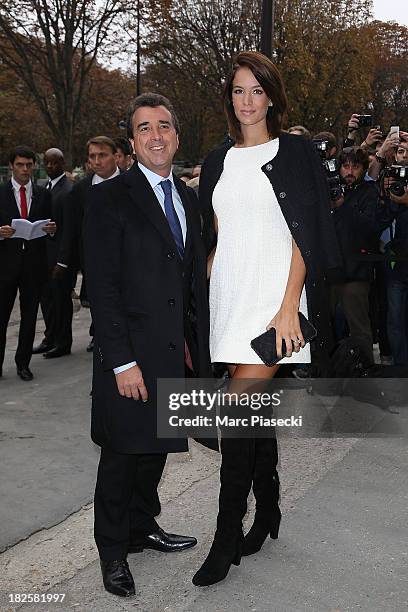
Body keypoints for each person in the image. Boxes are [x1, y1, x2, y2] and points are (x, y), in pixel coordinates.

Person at [195, 51, 341, 587]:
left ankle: (226, 536)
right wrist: (210, 261)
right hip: (231, 300)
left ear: (273, 97)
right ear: (229, 99)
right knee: (249, 414)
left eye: (258, 90)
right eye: (239, 91)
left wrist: (288, 308)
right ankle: (269, 510)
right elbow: (218, 228)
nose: (248, 101)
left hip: (278, 304)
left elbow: (308, 234)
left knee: (232, 413)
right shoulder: (217, 161)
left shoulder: (296, 152)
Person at [83, 93, 217, 598]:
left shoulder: (187, 198)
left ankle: (143, 527)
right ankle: (113, 550)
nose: (156, 135)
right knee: (121, 457)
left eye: (164, 125)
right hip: (130, 357)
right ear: (132, 142)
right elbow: (103, 288)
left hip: (174, 354)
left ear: (177, 135)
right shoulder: (108, 198)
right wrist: (122, 361)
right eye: (145, 128)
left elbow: (188, 279)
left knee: (156, 450)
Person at [58, 136, 119, 352]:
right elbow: (71, 230)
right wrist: (64, 263)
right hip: (93, 263)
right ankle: (101, 337)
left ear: (115, 156)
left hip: (129, 261)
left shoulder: (133, 185)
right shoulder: (80, 191)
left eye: (102, 155)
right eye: (92, 156)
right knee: (100, 305)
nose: (97, 161)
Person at [0, 146, 55, 380]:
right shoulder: (1, 193)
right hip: (6, 265)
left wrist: (52, 230)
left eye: (29, 165)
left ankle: (23, 363)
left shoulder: (44, 194)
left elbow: (53, 225)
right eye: (20, 165)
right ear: (11, 165)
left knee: (30, 316)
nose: (25, 169)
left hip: (34, 264)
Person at [32, 148, 74, 358]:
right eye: (47, 163)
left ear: (62, 163)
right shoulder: (45, 187)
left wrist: (64, 262)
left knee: (61, 301)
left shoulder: (68, 190)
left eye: (54, 163)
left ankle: (63, 342)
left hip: (60, 258)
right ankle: (50, 337)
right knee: (47, 300)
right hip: (44, 255)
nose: (50, 167)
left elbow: (70, 230)